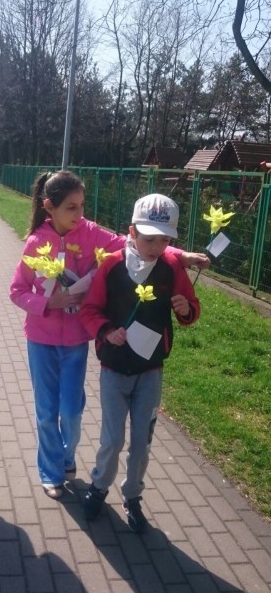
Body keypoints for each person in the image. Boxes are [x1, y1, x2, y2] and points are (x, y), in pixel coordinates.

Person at [9, 171, 207, 500]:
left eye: (82, 205)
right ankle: (51, 471)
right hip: (40, 339)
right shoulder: (35, 243)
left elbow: (137, 244)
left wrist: (180, 255)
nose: (80, 214)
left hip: (76, 339)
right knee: (46, 409)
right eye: (71, 207)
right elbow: (16, 291)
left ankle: (67, 457)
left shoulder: (91, 233)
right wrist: (47, 303)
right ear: (49, 207)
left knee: (71, 410)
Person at [79, 193, 200, 531]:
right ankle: (99, 486)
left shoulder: (171, 267)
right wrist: (106, 331)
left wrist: (186, 309)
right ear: (131, 232)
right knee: (112, 439)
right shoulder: (111, 265)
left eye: (164, 240)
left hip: (150, 372)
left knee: (141, 443)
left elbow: (191, 307)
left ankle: (132, 496)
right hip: (114, 370)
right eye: (149, 239)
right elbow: (90, 310)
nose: (156, 247)